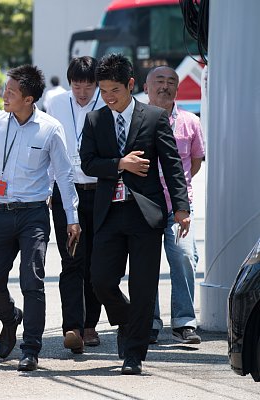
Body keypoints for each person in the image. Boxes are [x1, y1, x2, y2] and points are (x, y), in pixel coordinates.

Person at [79, 53, 191, 375]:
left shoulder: (155, 117)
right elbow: (87, 163)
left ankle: (134, 354)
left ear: (130, 84)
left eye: (114, 89)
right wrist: (119, 164)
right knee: (100, 280)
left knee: (144, 286)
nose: (108, 96)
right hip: (108, 214)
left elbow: (172, 167)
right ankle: (128, 321)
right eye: (103, 90)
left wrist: (181, 209)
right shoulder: (95, 120)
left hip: (145, 215)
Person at [0, 65, 80, 371]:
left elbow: (64, 174)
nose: (3, 95)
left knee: (32, 281)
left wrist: (71, 217)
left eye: (10, 91)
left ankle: (31, 348)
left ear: (29, 98)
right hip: (0, 212)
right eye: (5, 89)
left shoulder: (50, 128)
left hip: (34, 213)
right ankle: (10, 318)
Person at [46, 56, 105, 353]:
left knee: (95, 262)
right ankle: (72, 327)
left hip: (98, 191)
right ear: (69, 83)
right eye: (77, 84)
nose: (83, 91)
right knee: (71, 259)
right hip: (65, 191)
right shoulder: (56, 103)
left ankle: (90, 325)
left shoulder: (105, 104)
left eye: (88, 85)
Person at [144, 66, 205, 345]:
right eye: (159, 81)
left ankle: (184, 322)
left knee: (183, 256)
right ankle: (149, 321)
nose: (164, 86)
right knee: (146, 262)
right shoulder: (137, 119)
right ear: (146, 87)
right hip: (144, 204)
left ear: (177, 89)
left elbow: (194, 163)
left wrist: (179, 190)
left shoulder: (190, 122)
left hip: (178, 206)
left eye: (171, 82)